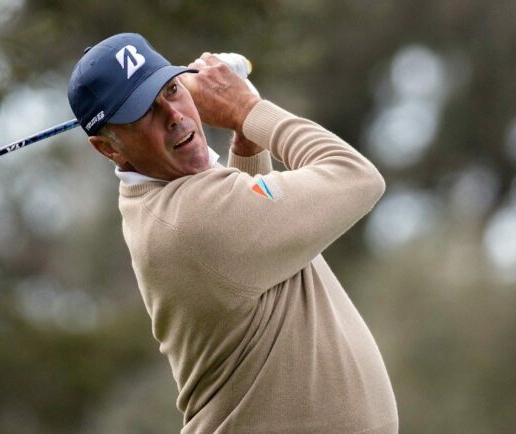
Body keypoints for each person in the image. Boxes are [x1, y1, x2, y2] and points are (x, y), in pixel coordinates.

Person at [67, 32, 398, 433]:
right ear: (109, 149)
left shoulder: (168, 199)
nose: (173, 114)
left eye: (172, 89)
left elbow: (254, 252)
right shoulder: (190, 219)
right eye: (143, 113)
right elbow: (357, 177)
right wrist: (249, 109)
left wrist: (247, 140)